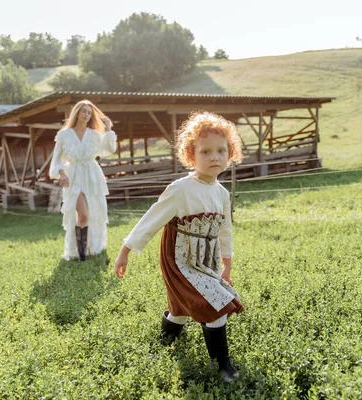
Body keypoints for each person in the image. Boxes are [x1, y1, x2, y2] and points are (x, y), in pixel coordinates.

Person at [113, 111, 244, 382]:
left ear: (230, 154)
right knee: (215, 303)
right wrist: (126, 249)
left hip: (205, 260)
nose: (214, 157)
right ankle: (224, 365)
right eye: (205, 151)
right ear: (191, 155)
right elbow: (152, 219)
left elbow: (225, 230)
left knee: (180, 308)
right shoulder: (180, 189)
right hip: (179, 259)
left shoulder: (222, 193)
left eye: (221, 151)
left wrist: (226, 263)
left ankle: (164, 342)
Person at [49, 99, 117, 261]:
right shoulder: (64, 135)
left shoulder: (94, 134)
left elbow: (110, 150)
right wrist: (62, 173)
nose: (86, 114)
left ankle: (90, 248)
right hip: (74, 176)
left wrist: (108, 129)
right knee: (83, 215)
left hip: (92, 176)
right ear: (77, 113)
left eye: (89, 112)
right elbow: (57, 160)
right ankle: (80, 255)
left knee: (94, 212)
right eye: (83, 111)